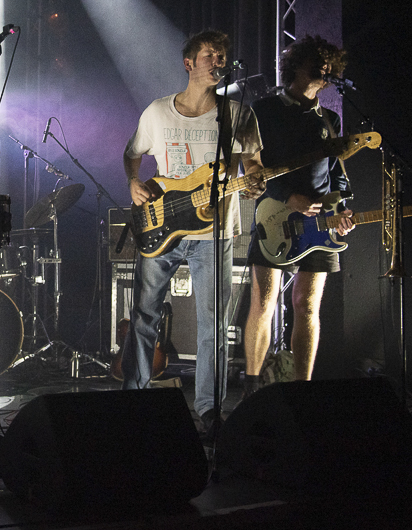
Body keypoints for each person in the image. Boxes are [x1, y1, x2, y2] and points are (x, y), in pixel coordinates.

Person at [121, 29, 264, 431]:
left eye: (222, 56)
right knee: (144, 317)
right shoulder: (157, 112)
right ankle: (132, 399)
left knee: (213, 325)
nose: (219, 62)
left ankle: (209, 408)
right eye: (210, 56)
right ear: (188, 63)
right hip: (162, 226)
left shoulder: (238, 113)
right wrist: (133, 182)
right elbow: (132, 154)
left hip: (214, 232)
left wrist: (255, 181)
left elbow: (253, 164)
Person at [243, 35, 355, 392]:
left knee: (306, 307)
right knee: (264, 303)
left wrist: (343, 206)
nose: (325, 69)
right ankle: (252, 388)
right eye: (317, 62)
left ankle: (301, 390)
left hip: (319, 223)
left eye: (329, 64)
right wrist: (288, 196)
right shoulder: (264, 110)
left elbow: (336, 171)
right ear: (297, 65)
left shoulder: (330, 118)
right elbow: (254, 168)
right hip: (274, 214)